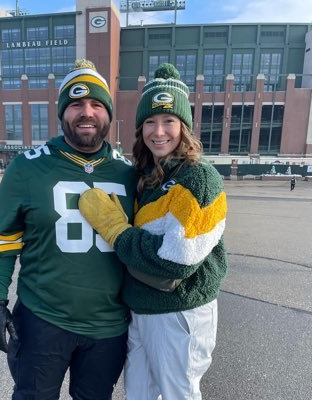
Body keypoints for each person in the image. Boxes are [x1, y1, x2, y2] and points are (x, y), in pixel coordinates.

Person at [0, 59, 136, 400]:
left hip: (109, 326)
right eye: (76, 104)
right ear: (62, 113)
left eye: (97, 104)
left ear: (108, 113)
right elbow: (1, 240)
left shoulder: (130, 173)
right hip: (43, 319)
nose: (87, 113)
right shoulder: (28, 166)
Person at [79, 63, 228, 400]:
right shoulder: (149, 177)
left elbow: (177, 261)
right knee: (140, 395)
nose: (158, 132)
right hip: (142, 310)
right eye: (150, 122)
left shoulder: (199, 178)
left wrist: (116, 230)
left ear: (184, 126)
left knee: (179, 394)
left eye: (168, 121)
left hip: (179, 312)